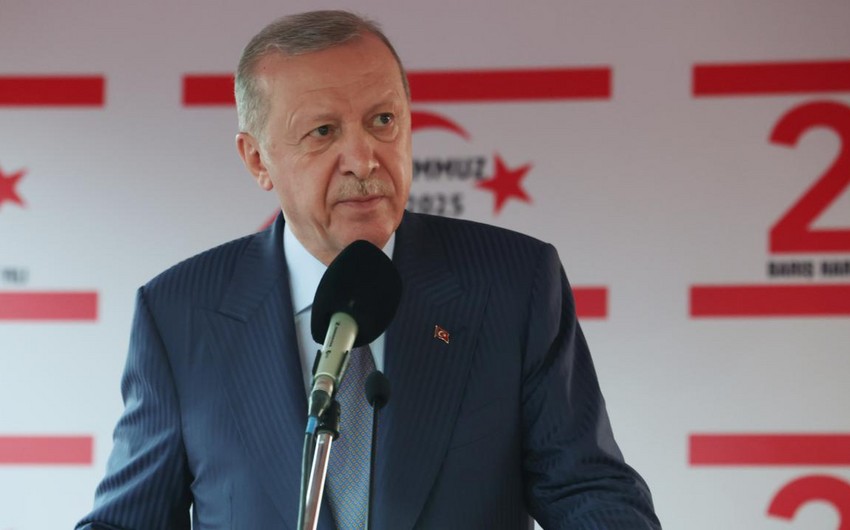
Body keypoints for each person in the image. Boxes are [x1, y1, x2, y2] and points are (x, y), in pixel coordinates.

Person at [77, 10, 660, 530]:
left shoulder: (512, 282)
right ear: (257, 159)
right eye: (323, 132)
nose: (363, 159)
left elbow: (588, 491)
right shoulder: (180, 314)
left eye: (383, 120)